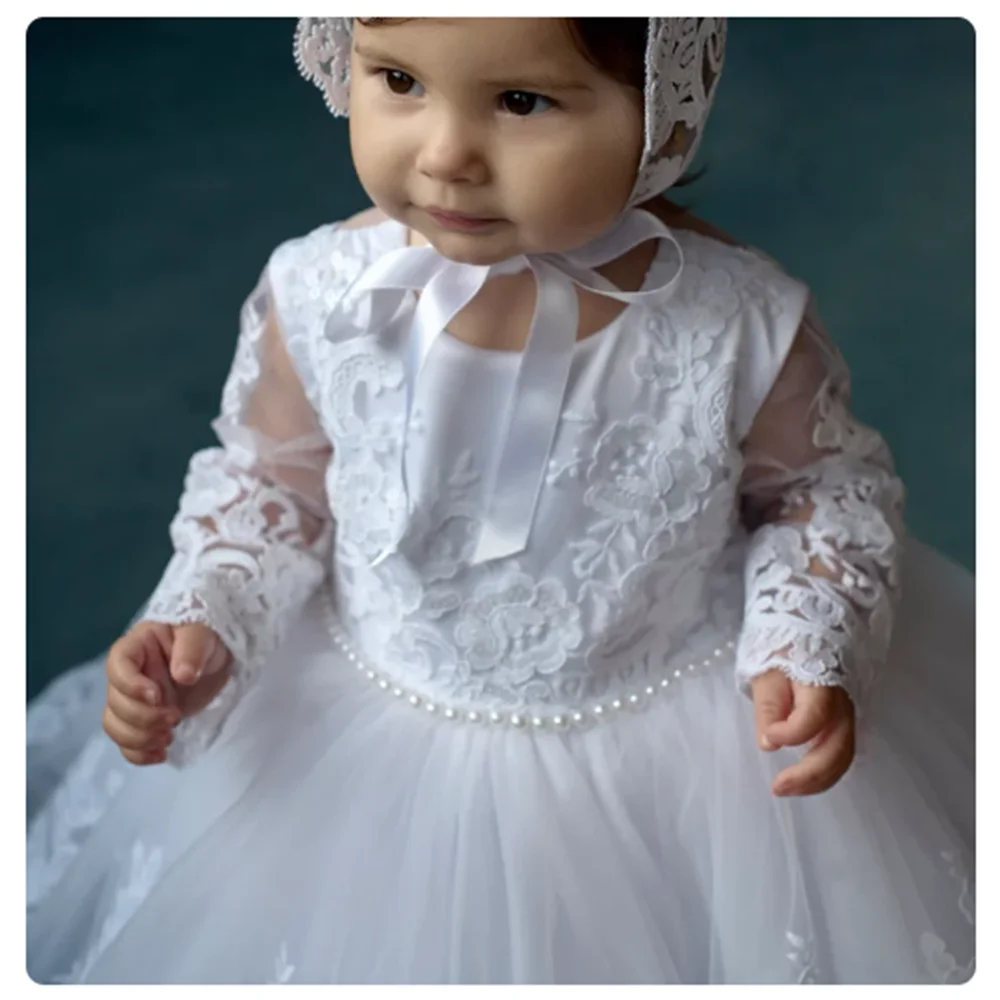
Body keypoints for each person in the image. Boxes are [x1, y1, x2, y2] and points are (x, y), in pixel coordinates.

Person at [26, 17, 975, 984]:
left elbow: (821, 493)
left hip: (670, 754)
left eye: (522, 102)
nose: (444, 157)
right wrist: (208, 610)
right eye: (398, 80)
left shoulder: (732, 320)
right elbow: (271, 480)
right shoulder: (323, 292)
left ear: (660, 110)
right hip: (360, 740)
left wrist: (807, 635)